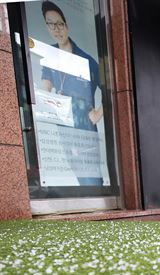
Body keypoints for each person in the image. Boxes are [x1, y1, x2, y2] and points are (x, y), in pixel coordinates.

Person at [40, 0, 103, 186]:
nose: (56, 29)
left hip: (84, 129)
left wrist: (97, 115)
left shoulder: (86, 60)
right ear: (47, 26)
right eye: (51, 24)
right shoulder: (49, 55)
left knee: (91, 180)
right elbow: (46, 88)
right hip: (64, 128)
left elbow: (112, 90)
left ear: (66, 25)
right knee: (78, 176)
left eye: (59, 23)